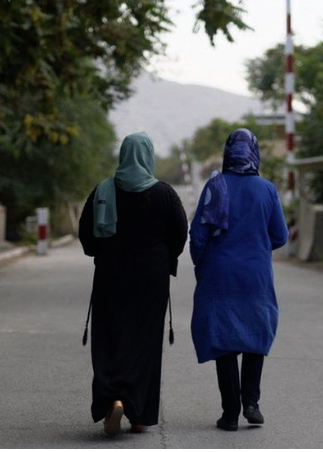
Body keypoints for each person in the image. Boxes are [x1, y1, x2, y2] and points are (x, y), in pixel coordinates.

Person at [79, 132, 188, 436]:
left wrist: (106, 253)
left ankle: (113, 399)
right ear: (149, 156)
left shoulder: (102, 191)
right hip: (151, 279)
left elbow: (87, 239)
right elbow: (180, 235)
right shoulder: (164, 194)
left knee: (110, 337)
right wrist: (162, 257)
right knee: (144, 342)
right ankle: (138, 414)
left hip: (110, 275)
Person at [189, 128, 288, 432]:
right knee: (255, 335)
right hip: (255, 275)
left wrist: (201, 265)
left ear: (228, 152)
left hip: (220, 274)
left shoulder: (215, 186)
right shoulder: (267, 189)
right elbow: (280, 236)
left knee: (224, 340)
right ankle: (252, 404)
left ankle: (230, 413)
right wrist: (255, 246)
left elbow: (197, 235)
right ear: (254, 152)